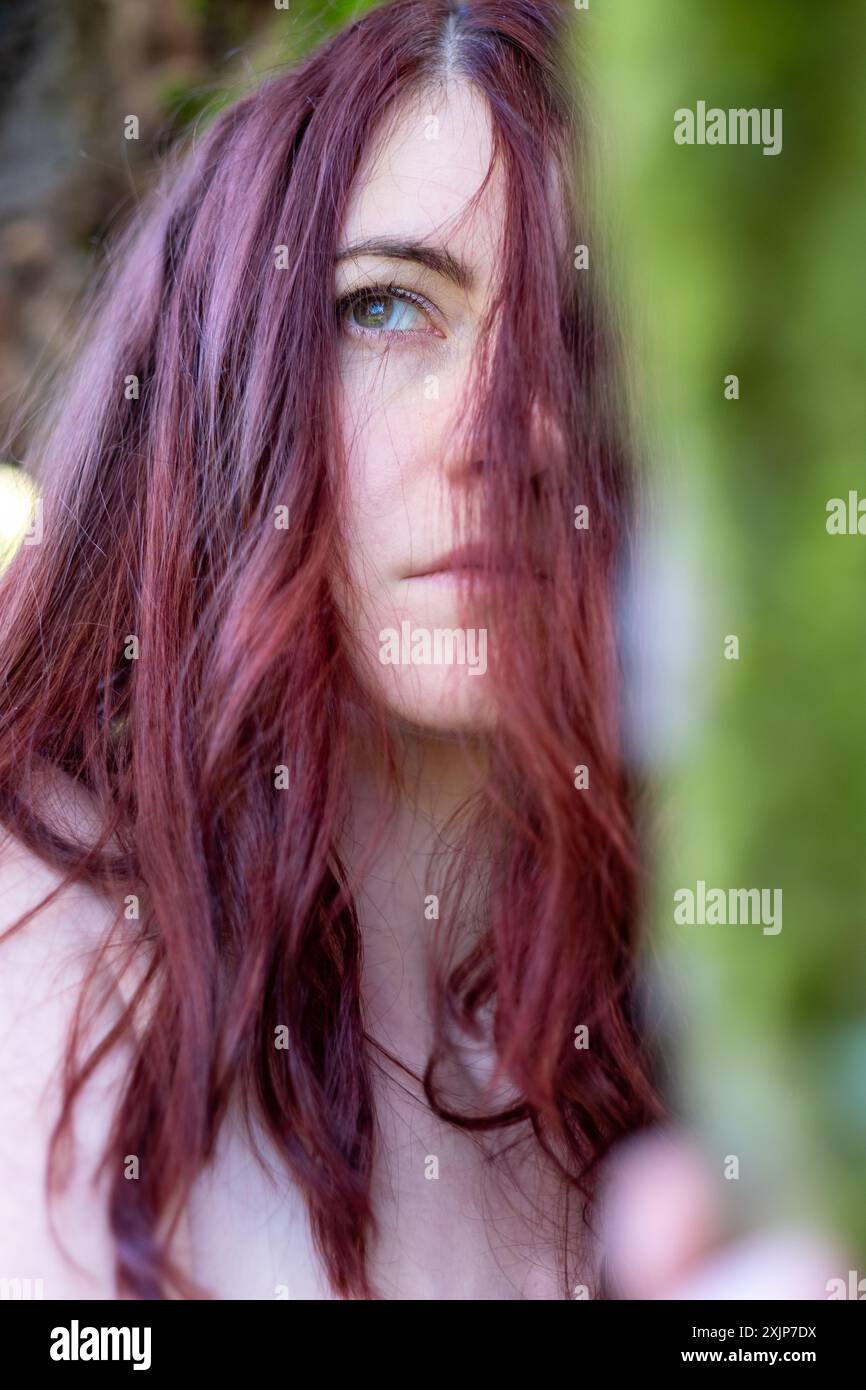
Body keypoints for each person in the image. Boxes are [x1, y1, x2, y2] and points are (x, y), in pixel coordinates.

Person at [0, 0, 840, 1301]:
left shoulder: (706, 1017)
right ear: (224, 375)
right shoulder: (36, 936)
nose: (499, 436)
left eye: (588, 337)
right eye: (385, 308)